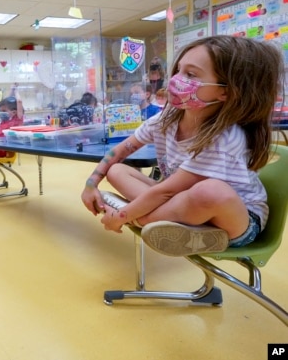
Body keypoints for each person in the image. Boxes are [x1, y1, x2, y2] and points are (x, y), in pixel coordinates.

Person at [81, 35, 283, 257]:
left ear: (225, 91)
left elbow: (166, 191)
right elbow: (124, 149)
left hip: (236, 221)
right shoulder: (167, 117)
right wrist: (91, 184)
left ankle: (143, 219)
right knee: (117, 169)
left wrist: (122, 216)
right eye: (178, 70)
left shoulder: (225, 138)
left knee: (210, 191)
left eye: (191, 74)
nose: (176, 79)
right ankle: (180, 226)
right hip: (180, 201)